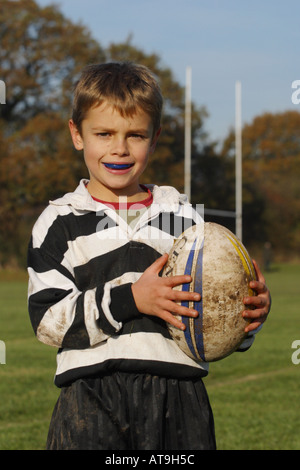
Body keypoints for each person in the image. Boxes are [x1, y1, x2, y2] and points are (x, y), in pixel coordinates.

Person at [27, 62, 271, 450]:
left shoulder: (184, 219)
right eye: (103, 133)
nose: (119, 148)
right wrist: (131, 299)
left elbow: (209, 315)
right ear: (77, 134)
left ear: (154, 138)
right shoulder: (59, 221)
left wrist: (247, 317)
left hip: (178, 397)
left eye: (135, 135)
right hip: (90, 396)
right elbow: (47, 321)